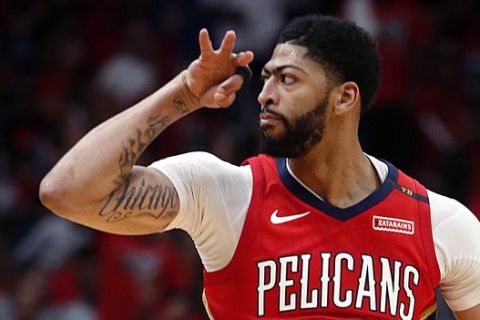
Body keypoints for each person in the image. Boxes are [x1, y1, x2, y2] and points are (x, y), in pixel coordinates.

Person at [39, 15, 480, 319]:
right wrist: (183, 94)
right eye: (266, 77)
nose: (265, 93)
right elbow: (67, 192)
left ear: (345, 98)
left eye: (287, 79)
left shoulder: (440, 221)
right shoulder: (225, 193)